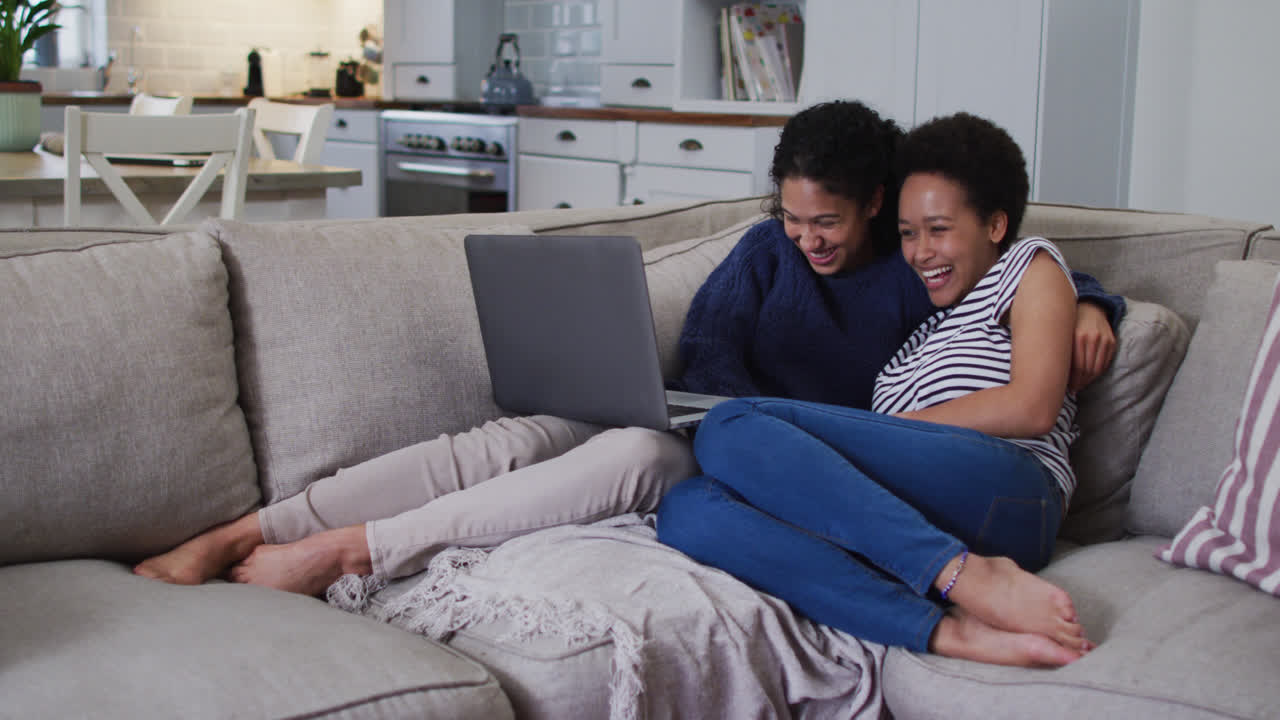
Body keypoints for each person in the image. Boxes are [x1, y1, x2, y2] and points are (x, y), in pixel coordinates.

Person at [134, 101, 1121, 598]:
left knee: (631, 457)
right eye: (790, 217)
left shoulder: (914, 268)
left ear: (874, 203)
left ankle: (350, 552)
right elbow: (705, 346)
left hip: (767, 458)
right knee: (510, 438)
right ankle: (250, 526)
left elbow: (992, 272)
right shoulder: (762, 253)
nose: (807, 238)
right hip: (703, 418)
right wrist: (699, 399)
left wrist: (1092, 302)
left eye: (826, 221)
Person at [656, 111, 1096, 668]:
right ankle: (943, 630)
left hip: (1012, 487)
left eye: (938, 230)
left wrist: (1093, 305)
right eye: (909, 234)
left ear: (994, 225)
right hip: (932, 513)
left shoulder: (1028, 268)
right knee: (688, 510)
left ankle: (963, 575)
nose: (919, 252)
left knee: (728, 425)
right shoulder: (922, 328)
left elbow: (1031, 407)